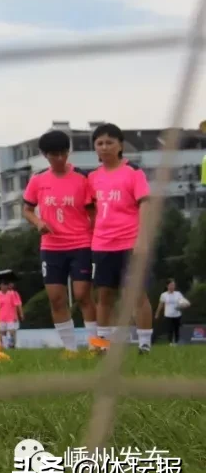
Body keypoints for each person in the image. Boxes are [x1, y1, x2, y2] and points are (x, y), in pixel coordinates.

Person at [22, 128, 98, 355]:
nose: (59, 158)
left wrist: (96, 237)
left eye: (63, 153)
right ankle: (70, 349)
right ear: (45, 155)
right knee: (56, 298)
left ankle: (97, 345)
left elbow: (93, 212)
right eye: (54, 154)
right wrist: (38, 222)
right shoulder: (38, 180)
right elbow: (27, 209)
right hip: (52, 247)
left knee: (83, 294)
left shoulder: (82, 178)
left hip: (80, 244)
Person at [86, 123, 154, 355]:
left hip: (129, 243)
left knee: (136, 294)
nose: (104, 147)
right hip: (102, 245)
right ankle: (103, 345)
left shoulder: (133, 172)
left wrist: (142, 239)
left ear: (120, 145)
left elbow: (145, 204)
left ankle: (144, 344)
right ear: (95, 148)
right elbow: (91, 210)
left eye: (109, 142)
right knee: (104, 295)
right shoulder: (93, 177)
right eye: (100, 143)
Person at [155, 279, 190, 345]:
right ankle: (170, 342)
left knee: (176, 329)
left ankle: (176, 342)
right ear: (167, 286)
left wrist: (183, 306)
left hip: (177, 315)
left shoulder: (178, 294)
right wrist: (157, 313)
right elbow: (160, 305)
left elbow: (184, 302)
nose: (172, 287)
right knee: (170, 329)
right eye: (171, 285)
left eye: (173, 285)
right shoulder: (163, 295)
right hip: (168, 315)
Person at [0, 281, 23, 349]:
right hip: (1, 316)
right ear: (0, 286)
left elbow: (15, 305)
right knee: (2, 332)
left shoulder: (11, 294)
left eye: (5, 285)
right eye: (2, 285)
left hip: (10, 316)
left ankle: (12, 344)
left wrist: (16, 315)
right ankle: (5, 346)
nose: (3, 287)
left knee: (11, 332)